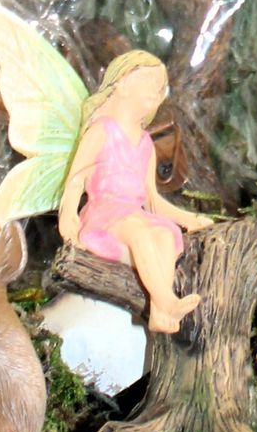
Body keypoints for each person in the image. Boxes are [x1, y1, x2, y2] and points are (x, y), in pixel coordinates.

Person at [60, 50, 204, 332]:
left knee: (163, 234)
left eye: (161, 85)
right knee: (136, 228)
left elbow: (152, 200)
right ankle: (167, 301)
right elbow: (75, 180)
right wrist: (67, 217)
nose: (157, 89)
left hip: (133, 215)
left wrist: (188, 220)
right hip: (104, 216)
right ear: (122, 84)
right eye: (150, 80)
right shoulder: (100, 131)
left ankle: (161, 317)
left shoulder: (146, 143)